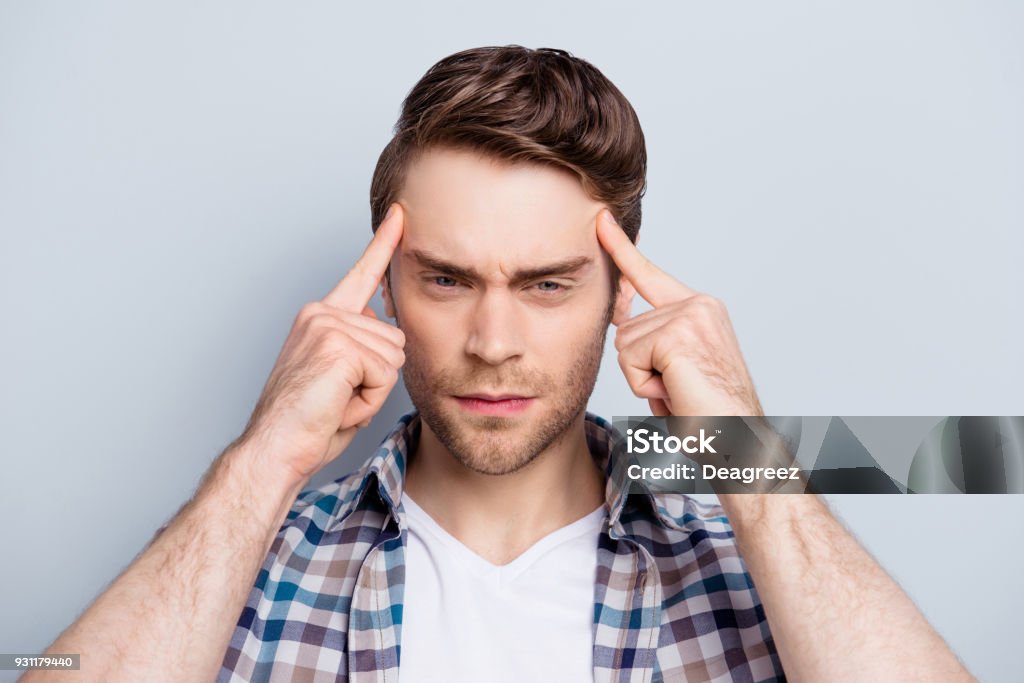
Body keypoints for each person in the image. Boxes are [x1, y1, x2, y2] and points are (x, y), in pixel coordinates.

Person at [28, 46, 974, 683]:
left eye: (549, 285)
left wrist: (746, 457)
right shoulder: (243, 564)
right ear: (385, 289)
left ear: (620, 299)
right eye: (445, 279)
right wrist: (263, 460)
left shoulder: (759, 570)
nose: (493, 340)